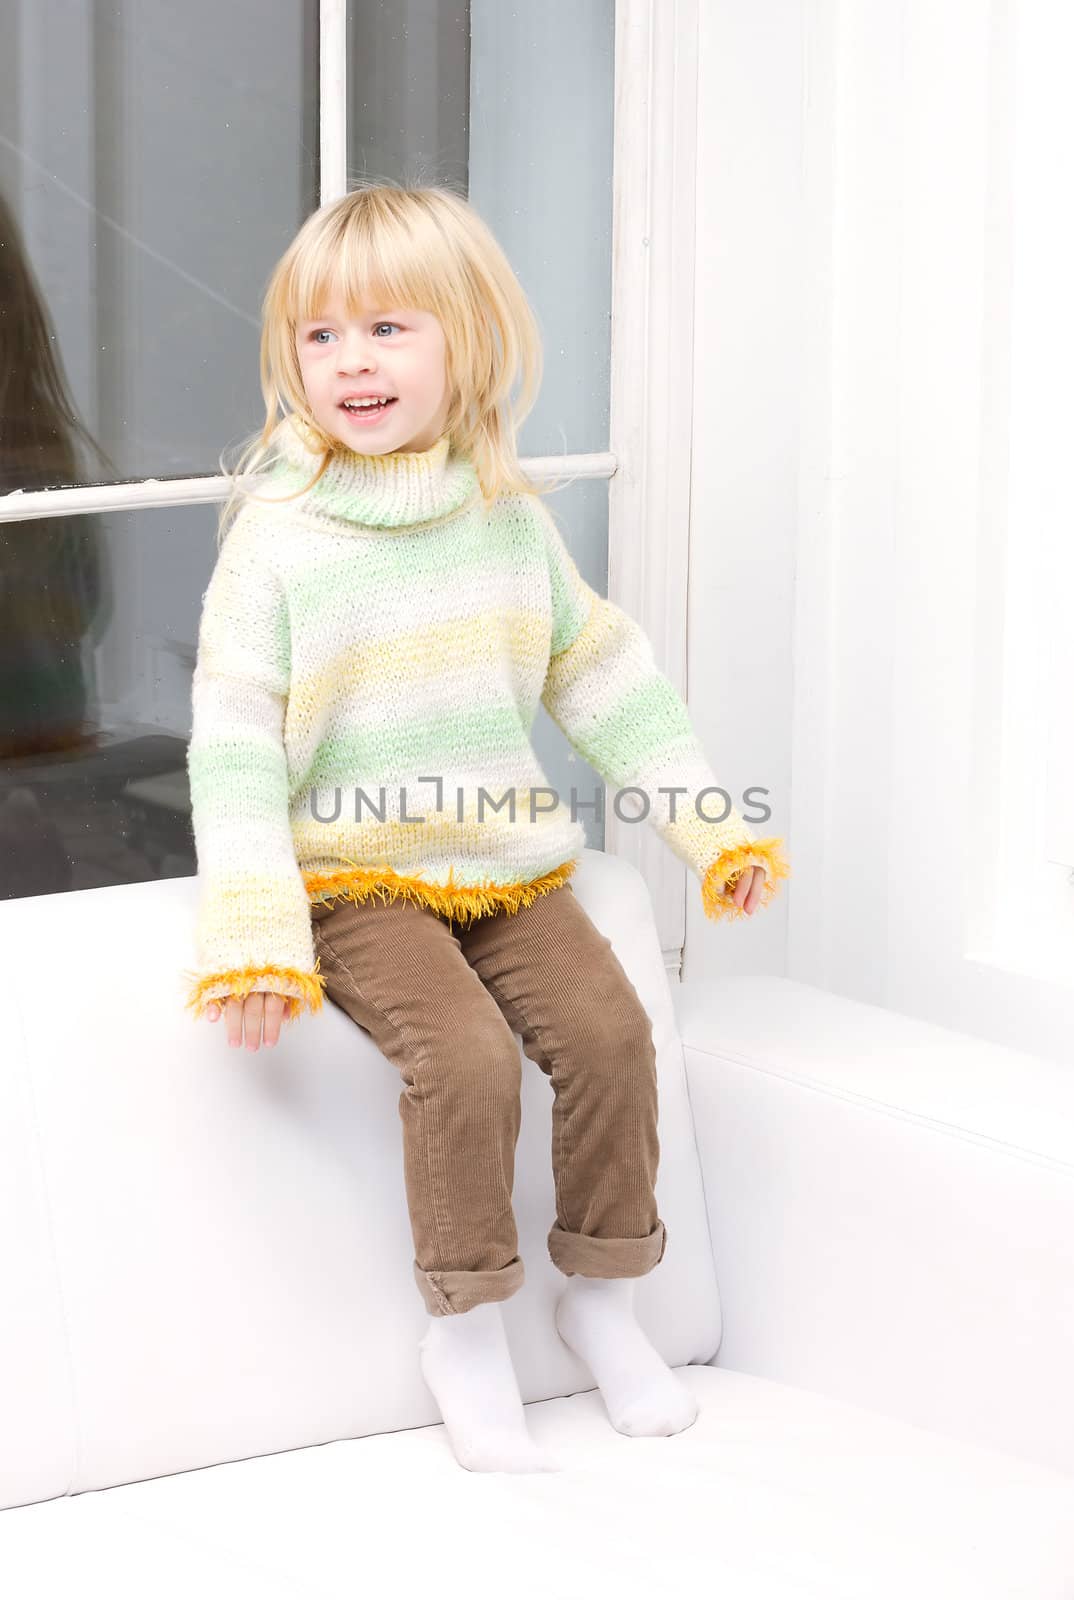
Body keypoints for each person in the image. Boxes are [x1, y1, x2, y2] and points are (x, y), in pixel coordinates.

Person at [182, 182, 790, 1475]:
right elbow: (233, 746)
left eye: (388, 329)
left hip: (509, 865)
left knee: (614, 1037)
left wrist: (708, 829)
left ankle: (603, 1294)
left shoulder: (505, 515)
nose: (350, 361)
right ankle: (465, 1325)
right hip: (355, 878)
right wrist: (254, 937)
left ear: (469, 340)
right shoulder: (280, 542)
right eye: (320, 335)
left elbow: (599, 675)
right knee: (462, 1064)